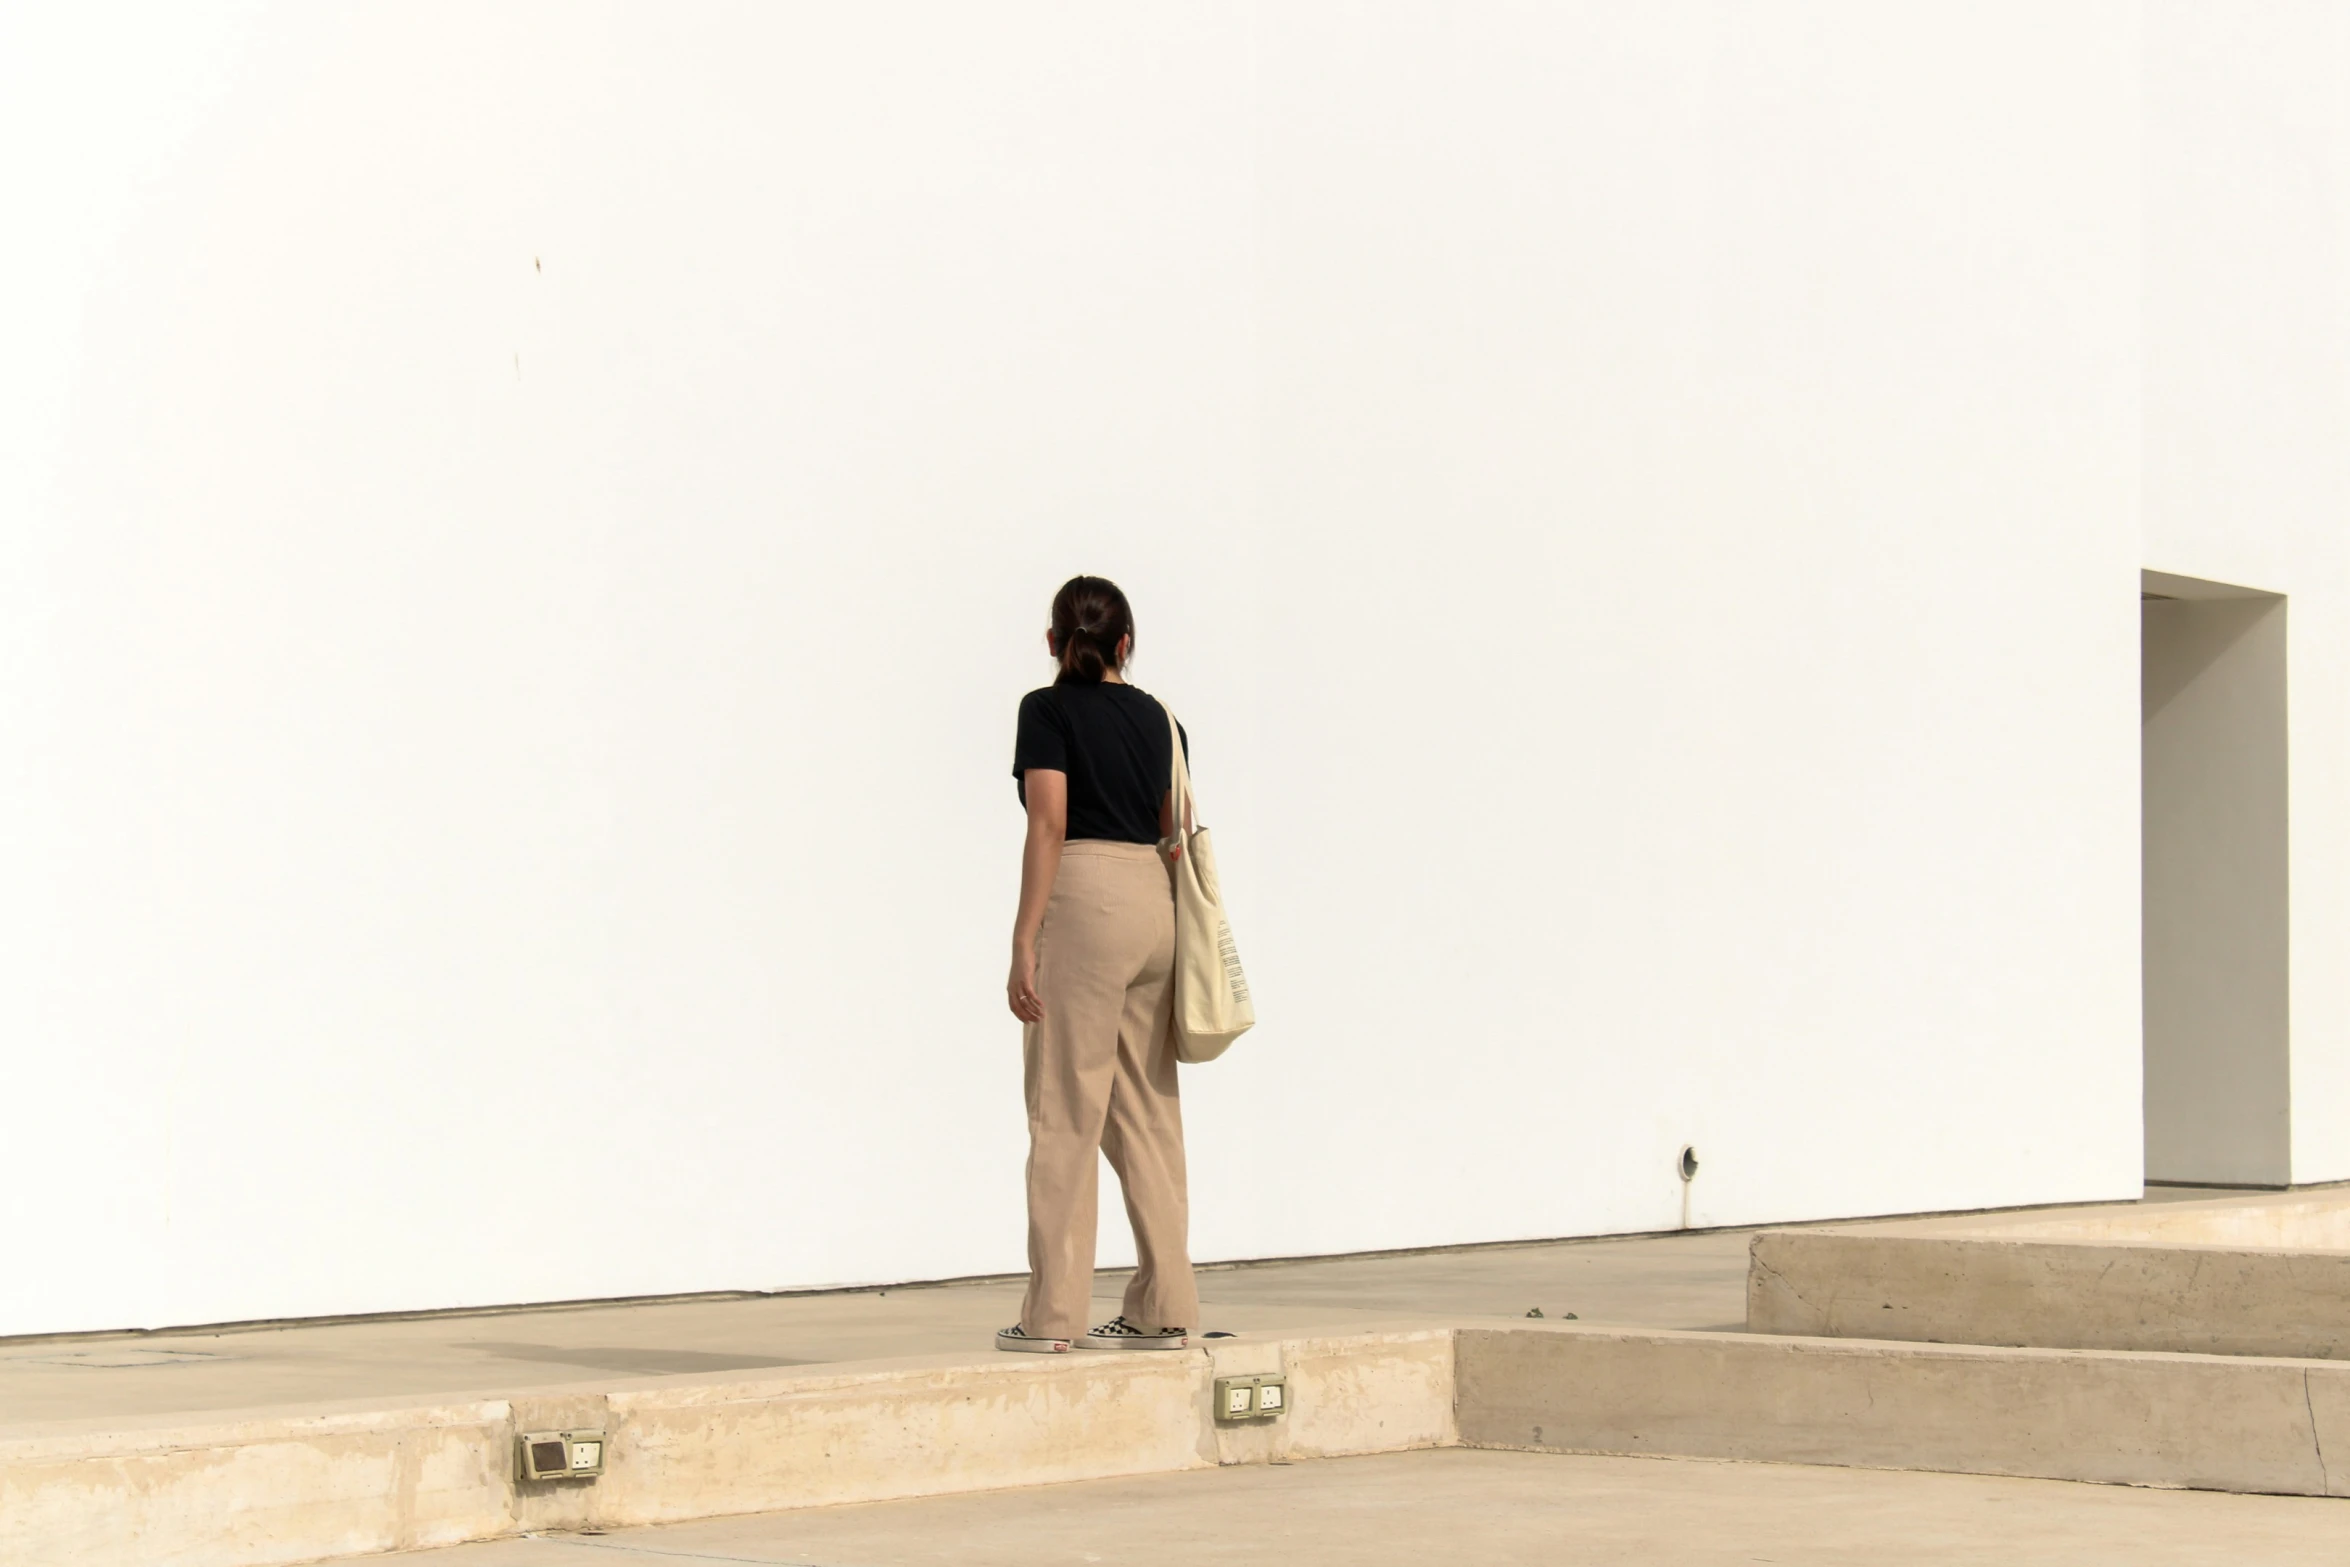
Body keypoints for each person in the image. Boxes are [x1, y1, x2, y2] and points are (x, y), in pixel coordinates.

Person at [997, 575, 1200, 1353]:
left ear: (1054, 642)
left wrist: (1024, 937)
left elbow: (1048, 823)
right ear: (1126, 643)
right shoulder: (1163, 718)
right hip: (1155, 907)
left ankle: (1051, 1317)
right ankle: (1166, 1306)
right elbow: (1170, 824)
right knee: (1149, 1112)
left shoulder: (1044, 710)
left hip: (1084, 902)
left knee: (1066, 1108)